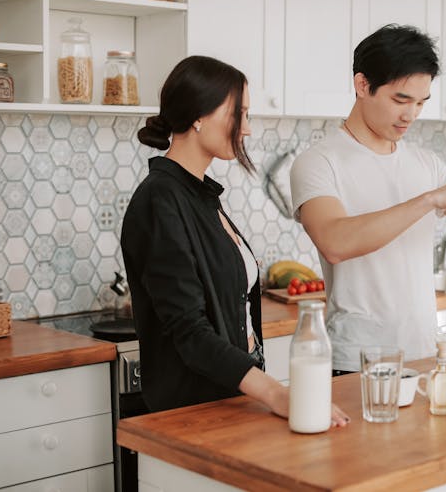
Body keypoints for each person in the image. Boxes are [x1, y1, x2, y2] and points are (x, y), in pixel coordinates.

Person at [121, 55, 349, 426]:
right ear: (199, 115)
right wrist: (277, 394)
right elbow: (190, 331)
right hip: (193, 413)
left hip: (228, 399)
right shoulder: (160, 200)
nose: (247, 129)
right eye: (238, 114)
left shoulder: (199, 196)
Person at [290, 25, 446, 373]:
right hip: (357, 361)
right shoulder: (319, 161)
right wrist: (430, 200)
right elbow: (335, 242)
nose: (411, 115)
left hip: (425, 354)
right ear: (362, 85)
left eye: (420, 103)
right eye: (400, 100)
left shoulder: (425, 163)